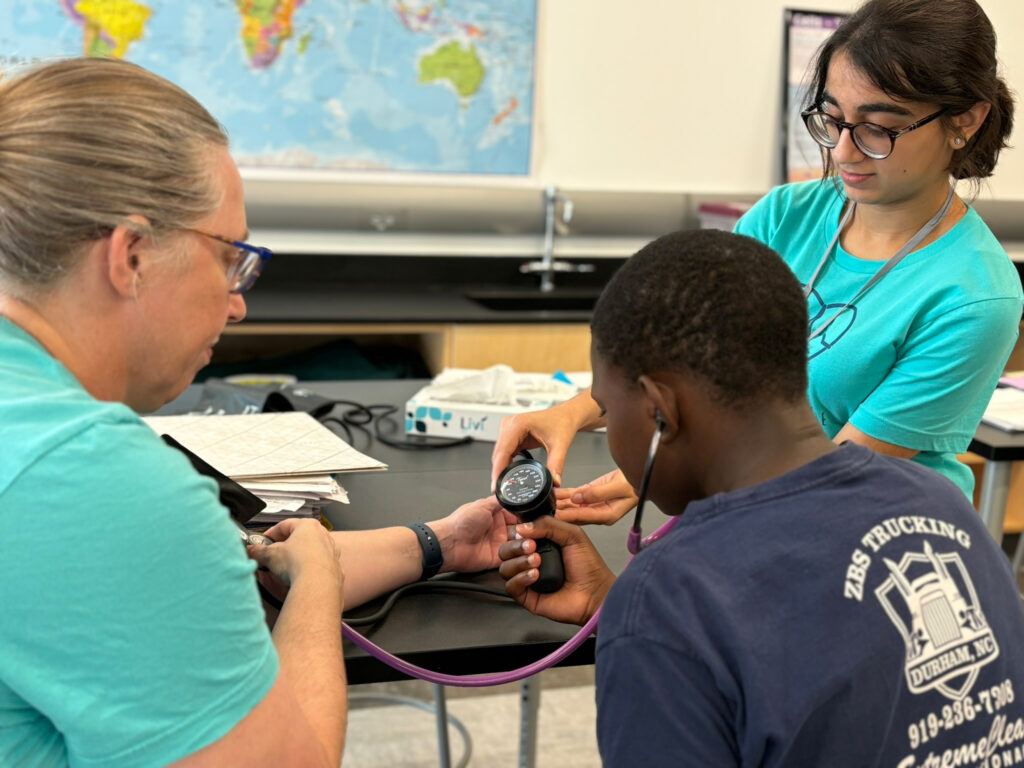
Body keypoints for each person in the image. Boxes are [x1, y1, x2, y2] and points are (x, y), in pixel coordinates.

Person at [0, 57, 511, 768]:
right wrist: (318, 593)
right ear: (133, 255)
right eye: (229, 260)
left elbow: (220, 570)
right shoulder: (93, 478)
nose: (239, 301)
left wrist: (438, 544)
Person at [498, 228, 1024, 767]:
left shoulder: (671, 595)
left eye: (607, 406)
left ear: (659, 412)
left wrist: (644, 620)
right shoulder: (947, 510)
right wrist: (614, 609)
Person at [491, 0, 1022, 516]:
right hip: (744, 496)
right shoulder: (785, 215)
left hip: (864, 533)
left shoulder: (974, 297)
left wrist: (667, 476)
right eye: (832, 119)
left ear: (966, 121)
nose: (842, 151)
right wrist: (575, 412)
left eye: (878, 127)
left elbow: (835, 476)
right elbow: (682, 351)